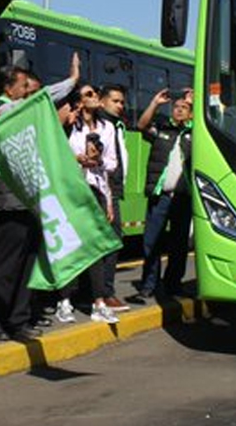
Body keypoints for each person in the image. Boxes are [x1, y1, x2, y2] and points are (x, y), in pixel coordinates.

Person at [0, 54, 79, 341]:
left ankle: (18, 320)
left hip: (28, 199)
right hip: (9, 199)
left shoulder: (18, 108)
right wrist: (71, 81)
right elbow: (45, 98)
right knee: (6, 264)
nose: (28, 93)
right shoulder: (2, 109)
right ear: (8, 88)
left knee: (27, 263)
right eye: (24, 87)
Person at [58, 83, 119, 324]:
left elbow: (112, 164)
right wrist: (77, 159)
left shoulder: (107, 128)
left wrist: (109, 201)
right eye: (89, 94)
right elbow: (57, 157)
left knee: (95, 247)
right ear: (79, 101)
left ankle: (99, 303)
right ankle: (64, 301)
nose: (95, 97)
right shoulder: (70, 127)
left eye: (95, 93)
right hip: (72, 191)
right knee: (71, 245)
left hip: (96, 190)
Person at [130, 89, 193, 302]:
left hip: (183, 198)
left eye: (184, 108)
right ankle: (149, 285)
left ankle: (173, 284)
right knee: (151, 242)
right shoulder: (162, 129)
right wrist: (155, 103)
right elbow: (141, 125)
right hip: (160, 197)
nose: (179, 110)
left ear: (191, 113)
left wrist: (197, 104)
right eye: (176, 107)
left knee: (179, 244)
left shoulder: (196, 135)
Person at [97, 84, 130, 312]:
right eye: (115, 101)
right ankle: (105, 293)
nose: (120, 106)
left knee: (110, 241)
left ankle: (100, 292)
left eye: (122, 102)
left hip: (112, 189)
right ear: (102, 101)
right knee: (111, 240)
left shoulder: (116, 125)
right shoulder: (100, 125)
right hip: (103, 189)